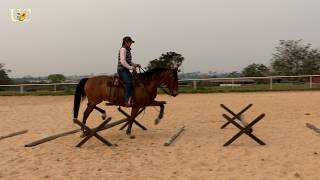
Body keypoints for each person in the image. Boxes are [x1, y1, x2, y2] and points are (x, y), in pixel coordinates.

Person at [117, 36, 140, 106]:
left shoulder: (127, 50)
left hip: (126, 69)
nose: (131, 44)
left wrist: (135, 65)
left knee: (135, 81)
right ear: (126, 42)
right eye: (130, 42)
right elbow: (123, 61)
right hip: (122, 70)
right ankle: (127, 100)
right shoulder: (123, 49)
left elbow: (129, 61)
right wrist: (131, 68)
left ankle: (133, 98)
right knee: (128, 82)